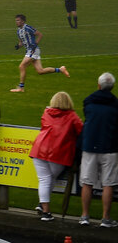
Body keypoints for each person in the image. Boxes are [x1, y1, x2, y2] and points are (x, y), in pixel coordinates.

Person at [30, 91, 83, 221]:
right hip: (58, 153)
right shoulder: (72, 116)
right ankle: (45, 211)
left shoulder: (46, 112)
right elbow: (81, 131)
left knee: (45, 180)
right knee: (48, 179)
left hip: (40, 149)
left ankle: (43, 205)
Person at [79, 72, 118, 227]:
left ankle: (84, 216)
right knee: (108, 183)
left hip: (90, 145)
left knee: (87, 182)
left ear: (99, 85)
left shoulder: (89, 102)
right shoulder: (115, 105)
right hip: (109, 147)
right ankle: (105, 218)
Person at [11, 14, 69, 92]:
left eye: (18, 20)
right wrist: (18, 46)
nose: (16, 22)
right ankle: (60, 69)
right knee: (40, 71)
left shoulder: (28, 28)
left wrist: (35, 44)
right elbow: (21, 42)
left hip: (33, 50)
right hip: (30, 51)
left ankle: (21, 88)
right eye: (16, 20)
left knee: (22, 66)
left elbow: (40, 35)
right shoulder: (18, 31)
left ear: (23, 21)